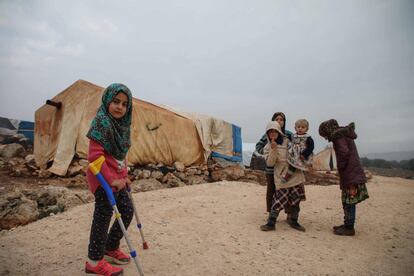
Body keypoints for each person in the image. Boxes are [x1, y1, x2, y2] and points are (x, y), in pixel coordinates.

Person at [85, 83, 134, 275]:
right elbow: (94, 157)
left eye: (124, 104)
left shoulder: (123, 127)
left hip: (117, 180)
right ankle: (94, 262)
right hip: (101, 179)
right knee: (102, 217)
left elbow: (121, 156)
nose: (119, 107)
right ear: (107, 101)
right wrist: (112, 179)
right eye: (115, 101)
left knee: (127, 210)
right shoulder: (101, 123)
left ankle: (110, 246)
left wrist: (124, 176)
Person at [319, 119, 369, 236]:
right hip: (352, 172)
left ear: (327, 130)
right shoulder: (344, 135)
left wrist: (340, 167)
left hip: (350, 174)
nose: (326, 138)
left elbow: (344, 152)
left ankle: (349, 227)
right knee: (348, 200)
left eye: (324, 135)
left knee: (349, 201)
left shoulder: (338, 136)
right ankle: (347, 224)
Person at [260, 121, 307, 232]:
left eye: (274, 131)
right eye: (270, 131)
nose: (272, 133)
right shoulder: (267, 147)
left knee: (296, 200)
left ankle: (294, 221)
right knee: (278, 200)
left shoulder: (288, 141)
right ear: (267, 134)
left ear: (279, 131)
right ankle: (271, 223)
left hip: (295, 175)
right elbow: (270, 163)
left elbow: (297, 153)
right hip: (282, 177)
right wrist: (274, 149)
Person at [255, 112, 293, 216]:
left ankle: (289, 214)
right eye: (277, 119)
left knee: (288, 190)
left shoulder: (289, 135)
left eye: (282, 119)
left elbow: (294, 148)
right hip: (271, 170)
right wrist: (268, 152)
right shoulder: (267, 135)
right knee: (271, 190)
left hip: (285, 170)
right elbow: (258, 146)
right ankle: (271, 214)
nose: (279, 121)